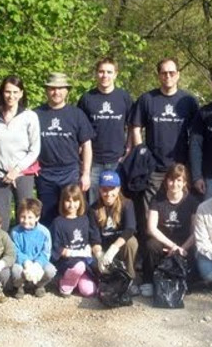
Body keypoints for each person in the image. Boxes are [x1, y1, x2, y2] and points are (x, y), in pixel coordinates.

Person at [129, 58, 199, 240]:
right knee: (150, 213)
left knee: (181, 211)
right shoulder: (147, 99)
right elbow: (136, 127)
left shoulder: (188, 101)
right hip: (154, 168)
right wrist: (141, 153)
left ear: (178, 75)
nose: (168, 76)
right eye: (164, 73)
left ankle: (181, 250)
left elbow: (196, 134)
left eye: (172, 72)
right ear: (158, 75)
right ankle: (151, 250)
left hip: (180, 168)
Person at [0, 76, 40, 231]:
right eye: (7, 92)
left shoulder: (29, 117)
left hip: (23, 175)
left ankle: (24, 246)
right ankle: (2, 247)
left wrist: (17, 170)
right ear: (2, 93)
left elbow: (35, 150)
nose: (11, 96)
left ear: (21, 93)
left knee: (26, 220)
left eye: (15, 92)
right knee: (0, 222)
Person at [34, 72, 94, 228]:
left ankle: (73, 242)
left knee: (72, 215)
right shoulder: (36, 114)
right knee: (46, 216)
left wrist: (86, 174)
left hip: (70, 173)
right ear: (46, 90)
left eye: (60, 88)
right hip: (45, 174)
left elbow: (87, 145)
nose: (56, 92)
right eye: (52, 88)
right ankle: (50, 243)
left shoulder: (77, 114)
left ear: (67, 90)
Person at [78, 58, 133, 205]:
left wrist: (128, 149)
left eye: (109, 72)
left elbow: (132, 126)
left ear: (115, 74)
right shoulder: (87, 99)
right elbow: (79, 130)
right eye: (101, 72)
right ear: (96, 74)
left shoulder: (124, 97)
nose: (105, 75)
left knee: (117, 203)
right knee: (93, 203)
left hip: (117, 161)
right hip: (93, 161)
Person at [143, 164, 198, 297]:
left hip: (184, 242)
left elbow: (195, 231)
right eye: (171, 180)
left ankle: (187, 281)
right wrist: (172, 246)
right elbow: (152, 228)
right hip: (163, 240)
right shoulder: (157, 199)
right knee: (150, 245)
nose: (175, 184)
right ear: (166, 181)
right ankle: (148, 281)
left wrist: (181, 248)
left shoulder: (192, 201)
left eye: (179, 180)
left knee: (196, 248)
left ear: (184, 183)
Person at [90, 170, 139, 294]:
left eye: (112, 189)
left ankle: (130, 278)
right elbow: (94, 238)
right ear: (99, 190)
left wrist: (114, 248)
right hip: (102, 248)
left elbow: (130, 229)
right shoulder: (93, 209)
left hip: (118, 247)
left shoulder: (127, 204)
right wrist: (99, 255)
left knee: (132, 242)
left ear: (118, 189)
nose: (108, 194)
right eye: (104, 190)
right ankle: (108, 280)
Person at [51, 185, 99, 298]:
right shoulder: (58, 222)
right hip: (67, 263)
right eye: (68, 201)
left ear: (80, 201)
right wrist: (70, 252)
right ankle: (65, 282)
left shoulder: (85, 219)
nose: (72, 205)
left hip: (84, 262)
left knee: (89, 291)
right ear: (63, 202)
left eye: (75, 201)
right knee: (79, 266)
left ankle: (76, 280)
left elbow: (91, 239)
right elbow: (56, 247)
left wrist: (89, 248)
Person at [10, 198, 55, 298]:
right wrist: (26, 261)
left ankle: (39, 285)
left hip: (38, 263)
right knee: (15, 270)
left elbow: (46, 252)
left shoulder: (44, 232)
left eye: (30, 217)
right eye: (23, 217)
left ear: (37, 217)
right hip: (22, 262)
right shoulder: (15, 232)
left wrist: (38, 264)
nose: (26, 221)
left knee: (50, 270)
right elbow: (15, 251)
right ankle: (19, 286)